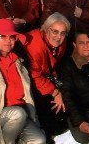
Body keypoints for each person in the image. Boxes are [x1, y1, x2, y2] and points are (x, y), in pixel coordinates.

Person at [24, 13, 71, 143]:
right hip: (30, 79)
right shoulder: (36, 45)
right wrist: (55, 92)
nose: (59, 37)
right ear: (46, 29)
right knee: (47, 102)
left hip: (47, 75)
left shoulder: (61, 42)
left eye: (63, 33)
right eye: (55, 31)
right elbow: (34, 75)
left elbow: (54, 64)